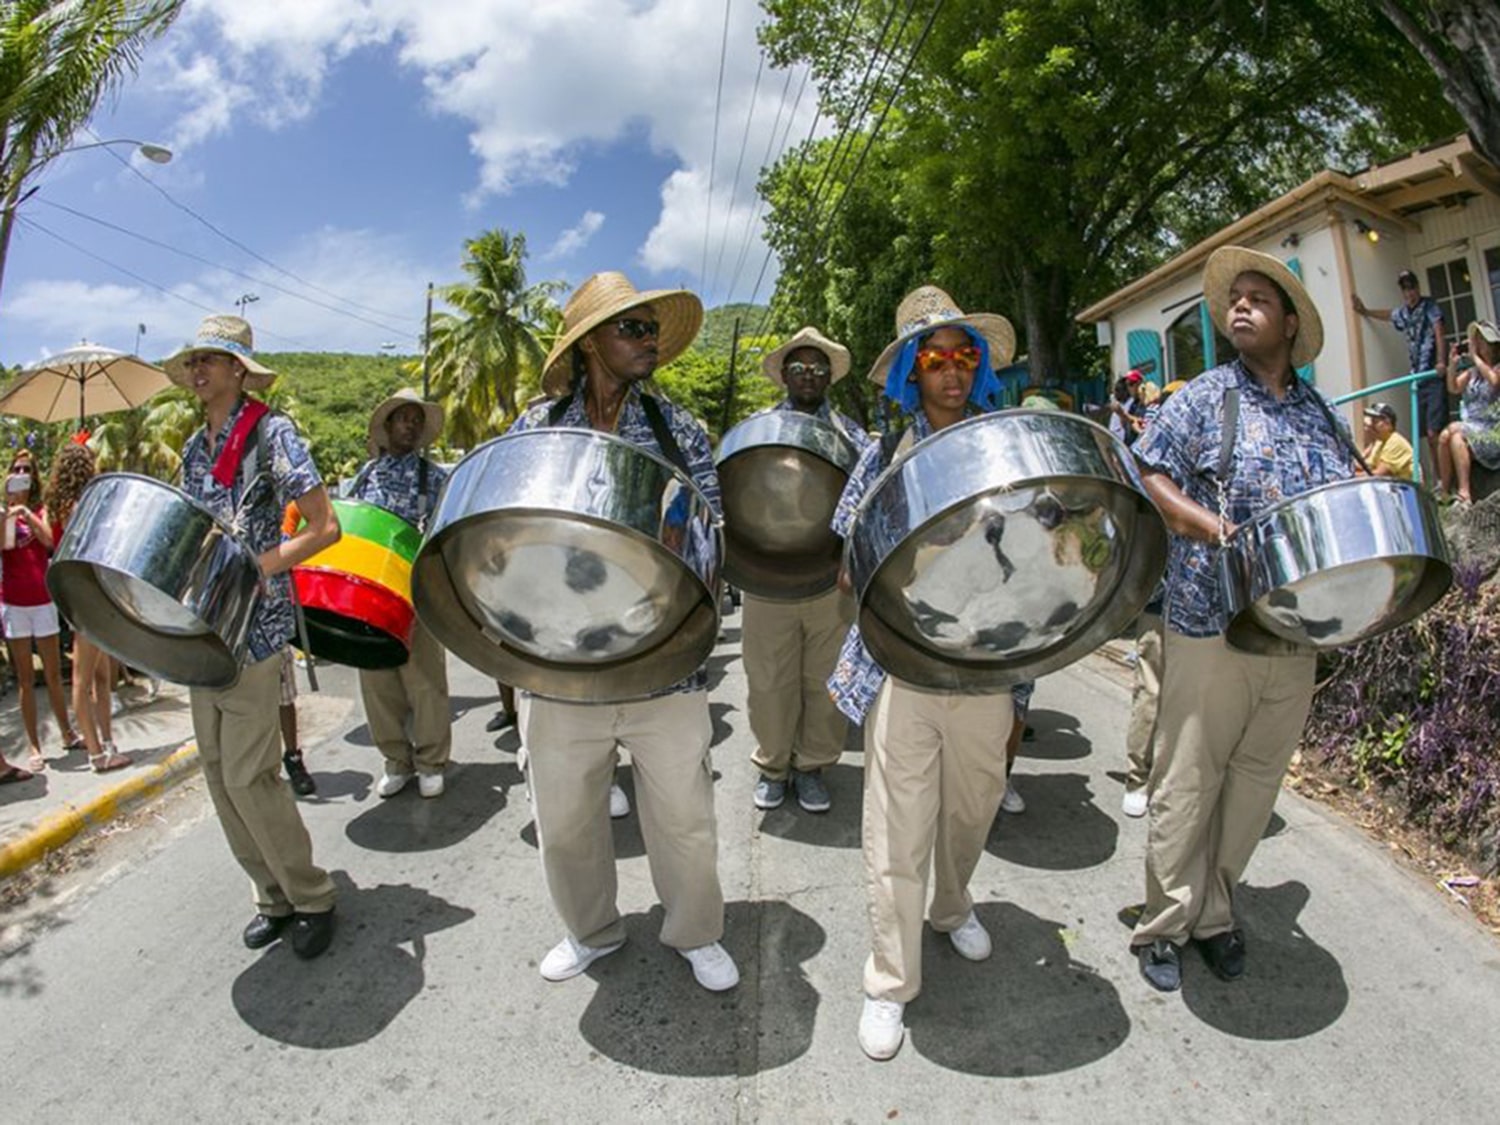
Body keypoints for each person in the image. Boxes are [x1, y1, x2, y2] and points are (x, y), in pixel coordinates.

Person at [1130, 246, 1352, 992]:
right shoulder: (1202, 397)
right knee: (1189, 774)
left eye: (1261, 298)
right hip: (1209, 617)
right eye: (1238, 298)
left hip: (1295, 626)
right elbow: (1146, 469)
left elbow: (1347, 498)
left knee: (1255, 781)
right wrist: (1204, 525)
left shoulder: (1320, 413)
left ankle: (1215, 913)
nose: (1242, 306)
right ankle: (1163, 922)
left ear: (1290, 322)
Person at [508, 272, 737, 993]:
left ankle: (694, 929)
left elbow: (715, 533)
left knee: (684, 816)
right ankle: (590, 929)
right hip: (559, 661)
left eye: (650, 328)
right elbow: (504, 541)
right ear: (587, 346)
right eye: (630, 329)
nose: (648, 341)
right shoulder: (535, 429)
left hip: (660, 657)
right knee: (567, 817)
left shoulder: (681, 430)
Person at [827, 285, 1018, 1061]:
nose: (950, 371)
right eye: (933, 359)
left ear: (978, 368)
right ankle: (888, 979)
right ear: (912, 372)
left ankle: (950, 903)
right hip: (905, 666)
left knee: (970, 811)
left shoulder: (1008, 445)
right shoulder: (880, 454)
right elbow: (847, 564)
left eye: (962, 356)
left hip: (987, 663)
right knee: (897, 830)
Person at [165, 314, 341, 960]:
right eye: (193, 361)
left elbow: (324, 527)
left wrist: (255, 567)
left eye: (211, 360)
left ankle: (313, 893)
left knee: (249, 773)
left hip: (256, 628)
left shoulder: (272, 433)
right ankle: (271, 893)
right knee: (217, 773)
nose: (197, 371)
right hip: (202, 629)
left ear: (240, 370)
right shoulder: (192, 449)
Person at [743, 326, 871, 814]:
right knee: (769, 683)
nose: (809, 375)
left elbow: (868, 501)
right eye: (799, 367)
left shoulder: (853, 436)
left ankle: (812, 766)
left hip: (829, 578)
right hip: (767, 574)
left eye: (818, 367)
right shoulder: (759, 430)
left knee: (824, 682)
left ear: (829, 377)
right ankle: (773, 767)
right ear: (784, 375)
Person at [348, 388, 454, 800]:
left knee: (424, 680)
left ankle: (431, 761)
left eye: (416, 420)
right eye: (403, 418)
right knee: (378, 682)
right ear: (387, 426)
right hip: (372, 596)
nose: (410, 426)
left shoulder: (436, 477)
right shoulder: (364, 477)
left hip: (415, 594)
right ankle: (396, 760)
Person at [47, 442, 129, 773]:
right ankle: (97, 753)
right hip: (87, 593)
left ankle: (106, 742)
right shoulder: (79, 506)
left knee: (100, 674)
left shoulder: (59, 506)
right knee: (85, 678)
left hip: (80, 592)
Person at [2, 448, 83, 771]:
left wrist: (26, 513)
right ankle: (35, 746)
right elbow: (5, 547)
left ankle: (67, 733)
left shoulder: (41, 508)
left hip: (42, 599)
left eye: (27, 469)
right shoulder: (4, 512)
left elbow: (50, 541)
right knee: (25, 679)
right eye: (16, 469)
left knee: (53, 674)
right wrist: (9, 515)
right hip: (13, 602)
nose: (21, 474)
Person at [1352, 268, 1446, 475]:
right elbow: (1389, 314)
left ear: (1417, 288)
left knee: (1434, 432)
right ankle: (1438, 478)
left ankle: (1444, 481)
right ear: (1402, 292)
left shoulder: (1429, 306)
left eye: (1412, 288)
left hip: (1431, 375)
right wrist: (1365, 311)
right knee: (1425, 434)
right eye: (1406, 289)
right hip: (1417, 378)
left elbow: (1439, 329)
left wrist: (1441, 361)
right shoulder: (1404, 312)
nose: (1410, 293)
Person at [1436, 320, 1500, 505]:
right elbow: (1453, 387)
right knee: (1447, 437)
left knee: (1455, 431)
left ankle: (1464, 493)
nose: (1477, 345)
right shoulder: (1472, 373)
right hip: (1471, 428)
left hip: (1492, 431)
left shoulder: (1496, 368)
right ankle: (1447, 491)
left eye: (1481, 341)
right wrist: (1452, 364)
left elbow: (1495, 381)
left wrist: (1475, 358)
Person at [1358, 401, 1414, 481]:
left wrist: (1349, 476)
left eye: (1375, 421)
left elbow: (1378, 475)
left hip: (1405, 490)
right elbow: (1366, 467)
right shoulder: (1379, 443)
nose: (1371, 425)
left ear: (1388, 424)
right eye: (1372, 421)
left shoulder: (1395, 442)